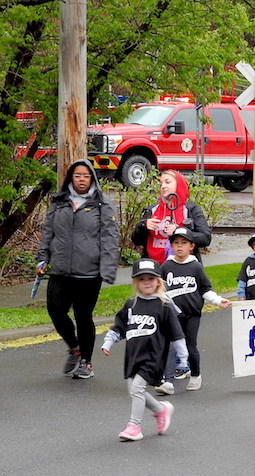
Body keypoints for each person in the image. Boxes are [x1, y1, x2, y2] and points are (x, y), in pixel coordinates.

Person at [36, 159, 119, 379]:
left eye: (86, 176)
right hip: (61, 270)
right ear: (70, 178)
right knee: (55, 310)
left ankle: (86, 362)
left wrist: (107, 270)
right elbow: (47, 233)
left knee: (83, 316)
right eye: (77, 176)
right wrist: (42, 258)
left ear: (92, 178)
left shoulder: (102, 204)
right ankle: (74, 348)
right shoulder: (59, 202)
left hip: (89, 273)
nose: (82, 180)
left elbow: (110, 239)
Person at [101, 259, 187, 441]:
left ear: (158, 281)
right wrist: (108, 341)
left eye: (150, 278)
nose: (146, 282)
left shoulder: (164, 305)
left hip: (153, 356)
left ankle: (134, 427)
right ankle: (160, 409)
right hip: (133, 355)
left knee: (137, 388)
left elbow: (176, 333)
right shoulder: (131, 303)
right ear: (136, 282)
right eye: (142, 279)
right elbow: (119, 326)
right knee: (134, 390)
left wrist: (183, 355)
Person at [155, 228, 230, 395]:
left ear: (191, 246)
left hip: (192, 315)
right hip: (172, 316)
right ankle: (168, 381)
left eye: (184, 243)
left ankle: (195, 374)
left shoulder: (195, 267)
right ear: (171, 245)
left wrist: (218, 300)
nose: (179, 246)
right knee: (171, 345)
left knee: (190, 345)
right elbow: (158, 289)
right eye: (176, 243)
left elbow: (205, 289)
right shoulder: (166, 266)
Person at [132, 170, 211, 264]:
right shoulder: (151, 210)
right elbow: (136, 240)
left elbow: (205, 238)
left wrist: (179, 232)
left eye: (167, 182)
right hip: (154, 268)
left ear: (179, 184)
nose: (163, 186)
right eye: (161, 184)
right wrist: (143, 226)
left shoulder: (190, 210)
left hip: (183, 268)